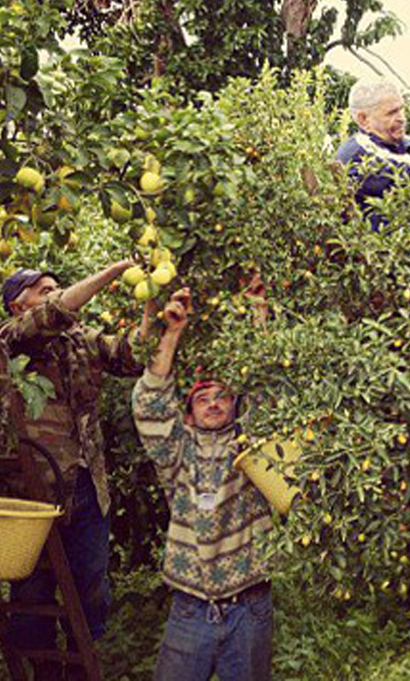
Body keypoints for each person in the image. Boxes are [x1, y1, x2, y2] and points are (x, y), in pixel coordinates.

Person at [0, 260, 149, 680]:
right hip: (34, 492)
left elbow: (130, 355)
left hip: (85, 485)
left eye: (55, 286)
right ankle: (44, 669)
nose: (55, 292)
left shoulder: (81, 341)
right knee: (32, 597)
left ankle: (79, 669)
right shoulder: (9, 339)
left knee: (91, 592)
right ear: (17, 305)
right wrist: (117, 269)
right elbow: (56, 312)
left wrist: (152, 304)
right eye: (43, 289)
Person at [132, 288, 273, 681]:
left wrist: (258, 313)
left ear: (234, 405)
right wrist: (172, 333)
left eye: (222, 397)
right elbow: (150, 405)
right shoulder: (178, 454)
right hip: (190, 607)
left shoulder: (253, 446)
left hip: (250, 606)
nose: (213, 403)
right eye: (202, 399)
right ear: (189, 414)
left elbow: (268, 388)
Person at [335, 79, 410, 230]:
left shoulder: (408, 144)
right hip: (379, 249)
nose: (402, 118)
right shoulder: (358, 153)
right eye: (391, 113)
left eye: (401, 109)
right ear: (363, 119)